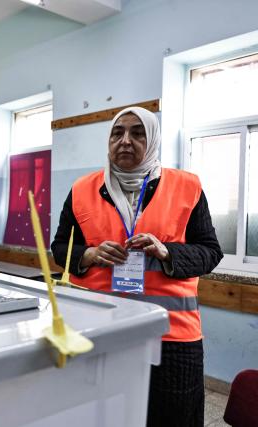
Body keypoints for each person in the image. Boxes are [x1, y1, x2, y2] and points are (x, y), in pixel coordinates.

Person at [51, 107, 223, 427]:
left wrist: (166, 251)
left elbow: (211, 252)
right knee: (104, 416)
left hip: (171, 335)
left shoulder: (187, 187)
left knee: (172, 417)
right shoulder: (81, 190)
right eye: (118, 133)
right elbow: (60, 248)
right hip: (101, 330)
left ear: (154, 139)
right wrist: (87, 255)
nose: (125, 141)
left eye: (137, 133)